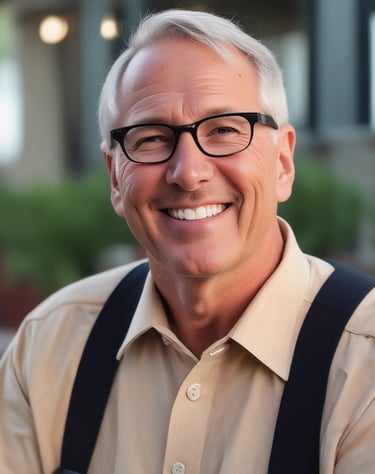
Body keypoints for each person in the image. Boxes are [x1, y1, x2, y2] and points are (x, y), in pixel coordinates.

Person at [0, 8, 374, 474]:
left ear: (282, 163)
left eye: (223, 130)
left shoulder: (365, 363)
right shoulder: (48, 347)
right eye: (152, 138)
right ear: (115, 177)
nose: (188, 173)